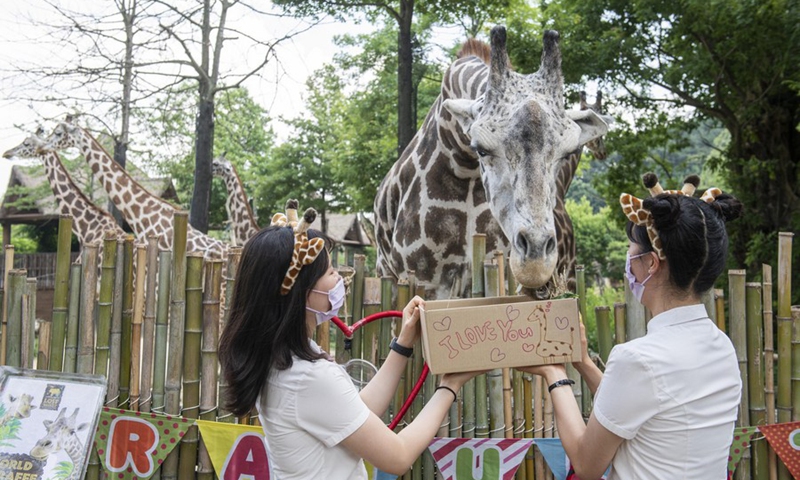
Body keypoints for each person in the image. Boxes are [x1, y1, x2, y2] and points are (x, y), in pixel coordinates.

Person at [219, 200, 482, 479]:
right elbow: (398, 456)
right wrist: (449, 387)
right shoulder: (307, 377)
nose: (338, 278)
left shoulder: (284, 358)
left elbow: (355, 412)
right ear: (300, 291)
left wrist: (403, 344)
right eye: (330, 272)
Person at [516, 174, 744, 480]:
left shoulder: (638, 359)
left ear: (651, 263)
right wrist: (583, 363)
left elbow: (586, 464)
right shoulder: (721, 346)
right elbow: (638, 404)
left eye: (631, 250)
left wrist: (555, 374)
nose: (628, 260)